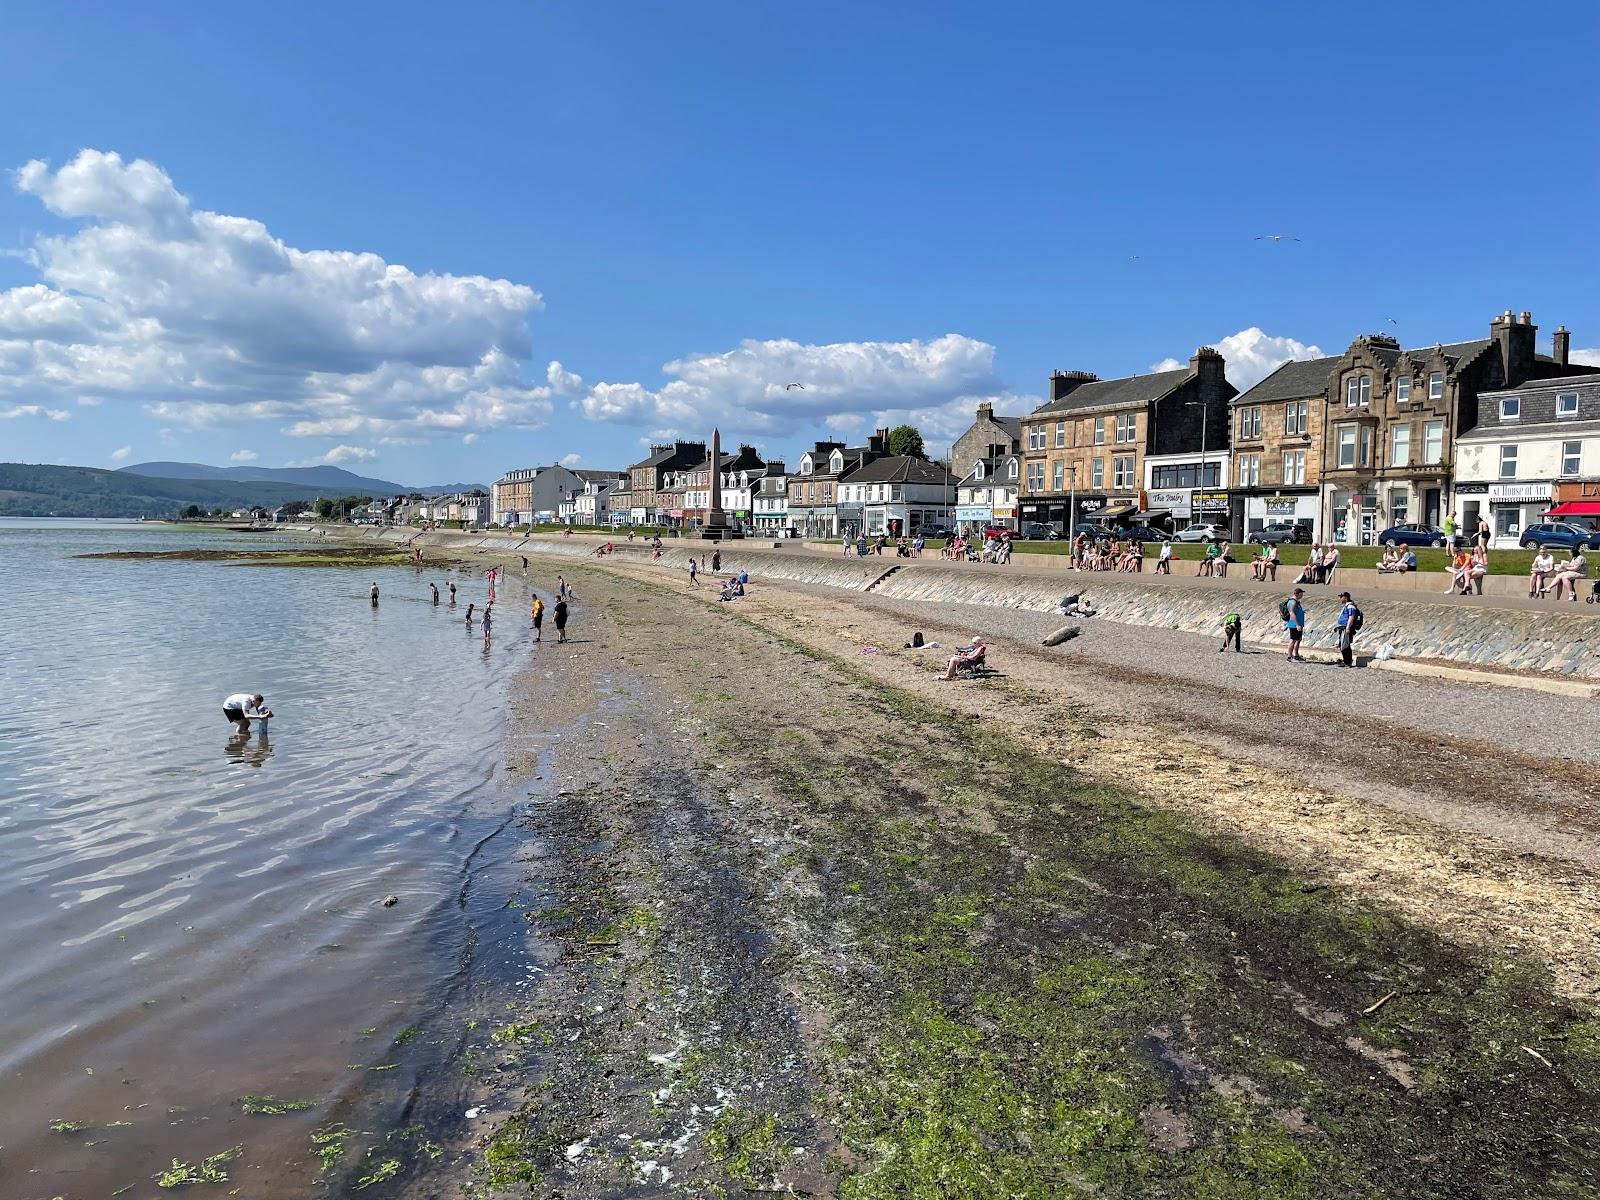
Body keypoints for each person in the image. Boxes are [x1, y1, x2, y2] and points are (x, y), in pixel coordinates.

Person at [1334, 590, 1361, 667]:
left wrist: (1348, 627)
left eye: (1341, 597)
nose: (1340, 599)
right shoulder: (1347, 606)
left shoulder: (1350, 607)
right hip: (1343, 628)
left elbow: (1351, 617)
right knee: (1343, 644)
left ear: (1345, 598)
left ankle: (1347, 662)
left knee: (1345, 645)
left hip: (1346, 628)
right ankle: (1346, 661)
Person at [1281, 588, 1307, 662]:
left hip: (1298, 624)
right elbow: (1291, 613)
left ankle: (1296, 655)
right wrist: (1297, 625)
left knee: (1298, 639)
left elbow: (1295, 611)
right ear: (1298, 594)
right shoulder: (1292, 602)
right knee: (1293, 640)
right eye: (1301, 593)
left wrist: (1302, 611)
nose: (1302, 595)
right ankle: (1289, 657)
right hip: (1294, 624)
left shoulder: (1296, 602)